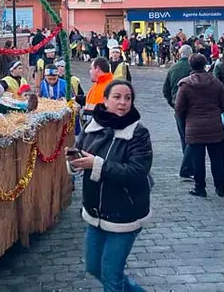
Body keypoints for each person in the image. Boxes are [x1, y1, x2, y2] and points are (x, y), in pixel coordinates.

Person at [67, 79, 152, 292]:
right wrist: (75, 163)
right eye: (117, 97)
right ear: (105, 100)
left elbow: (136, 171)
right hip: (95, 212)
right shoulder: (92, 126)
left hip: (125, 213)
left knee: (111, 276)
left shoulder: (138, 133)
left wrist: (96, 165)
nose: (122, 102)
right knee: (94, 267)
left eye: (128, 98)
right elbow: (80, 149)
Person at [175, 53, 224, 197]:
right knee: (217, 159)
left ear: (190, 66)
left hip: (194, 127)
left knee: (197, 160)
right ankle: (220, 187)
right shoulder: (216, 82)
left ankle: (200, 187)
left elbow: (179, 108)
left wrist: (187, 119)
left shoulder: (185, 85)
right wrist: (215, 112)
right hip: (214, 126)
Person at [163, 44, 194, 178]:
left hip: (178, 106)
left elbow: (166, 90)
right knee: (193, 138)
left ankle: (187, 165)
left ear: (179, 54)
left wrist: (172, 103)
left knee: (184, 137)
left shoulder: (173, 68)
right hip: (194, 107)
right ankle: (189, 166)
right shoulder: (194, 67)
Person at [83, 57, 113, 124]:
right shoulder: (97, 84)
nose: (90, 71)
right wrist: (77, 99)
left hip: (99, 128)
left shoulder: (110, 86)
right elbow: (92, 100)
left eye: (91, 68)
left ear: (97, 69)